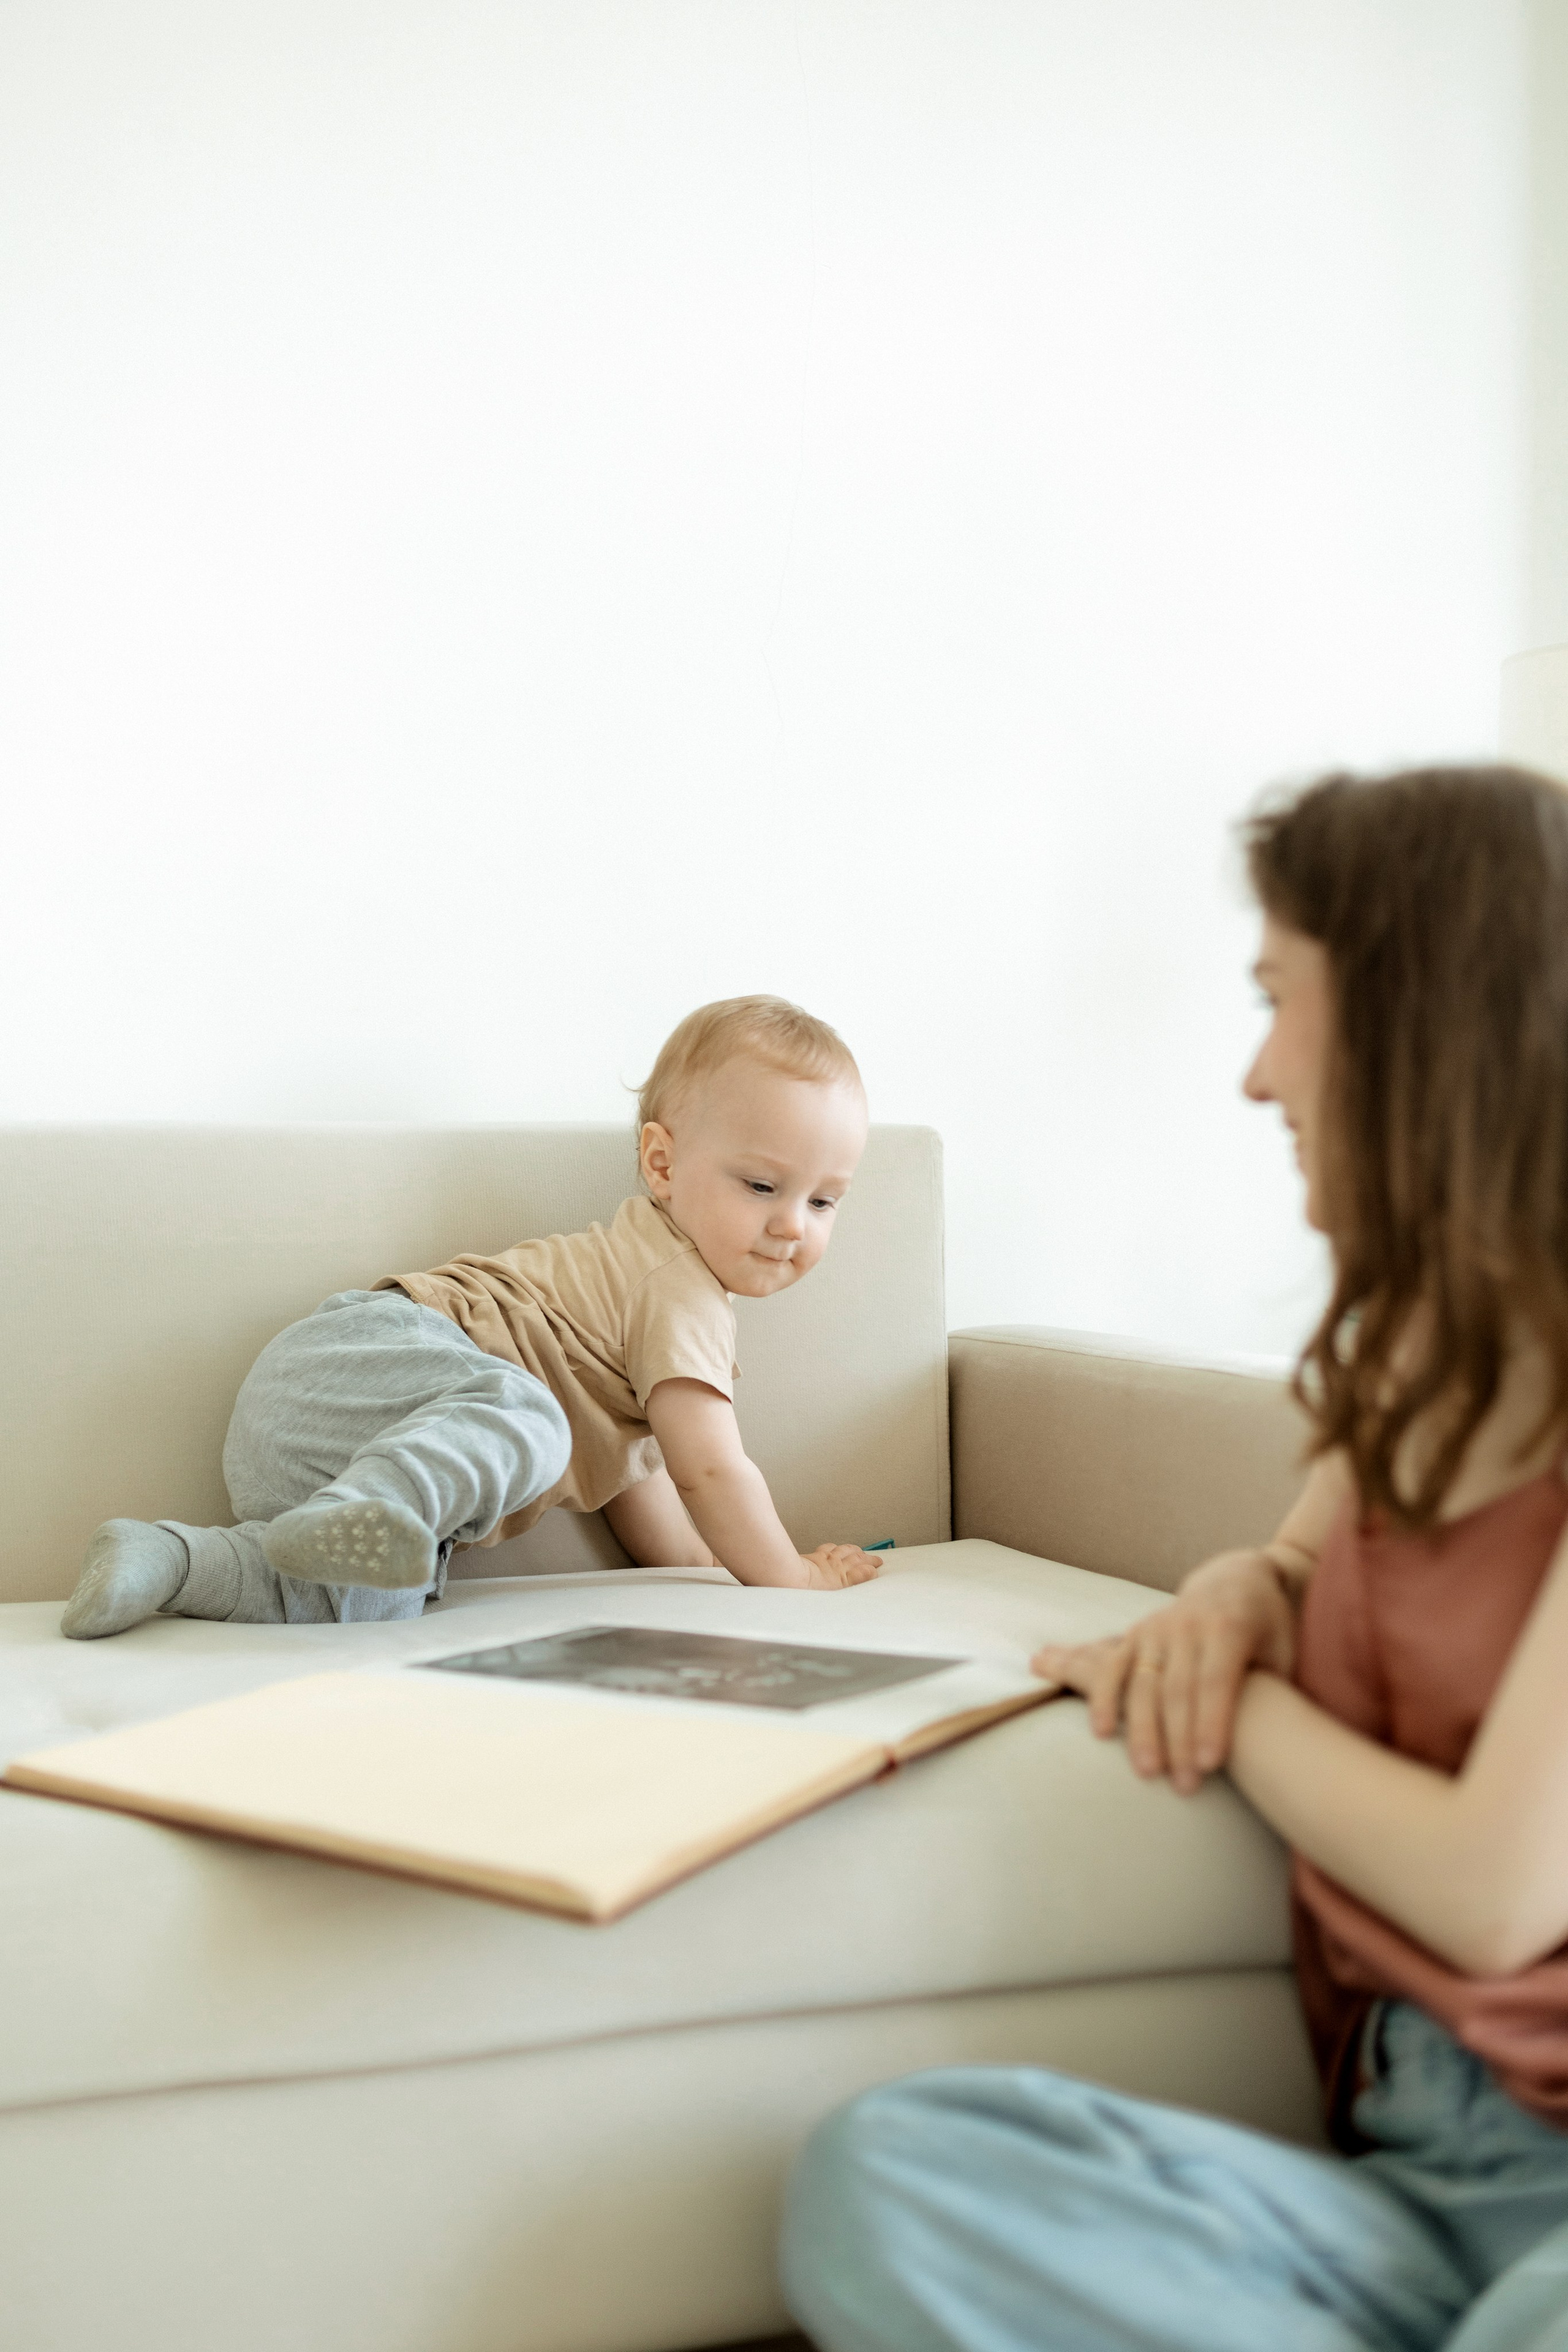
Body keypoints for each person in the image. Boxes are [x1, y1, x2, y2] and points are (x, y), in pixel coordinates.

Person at [782, 767, 1568, 2352]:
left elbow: (1497, 1898)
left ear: (1425, 1023)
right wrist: (1225, 1601)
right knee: (895, 2177)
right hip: (1411, 2174)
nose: (1259, 1074)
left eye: (1283, 999)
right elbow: (1288, 1564)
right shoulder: (1415, 1346)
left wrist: (1217, 1698)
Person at [62, 995, 882, 1637]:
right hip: (369, 1356)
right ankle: (364, 1508)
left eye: (824, 1200)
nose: (792, 1225)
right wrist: (792, 1574)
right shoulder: (679, 1284)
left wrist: (716, 1567)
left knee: (377, 1597)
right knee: (534, 1414)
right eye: (764, 1187)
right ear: (662, 1163)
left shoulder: (628, 1336)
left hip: (329, 1445)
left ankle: (165, 1559)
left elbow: (655, 1501)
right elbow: (712, 1469)